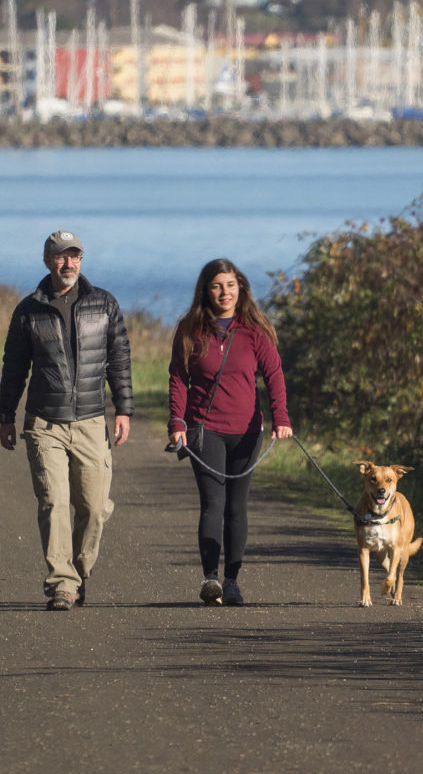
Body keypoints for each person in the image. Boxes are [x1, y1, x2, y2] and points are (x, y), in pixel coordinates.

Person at [0, 230, 133, 611]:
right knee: (54, 502)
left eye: (74, 256)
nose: (68, 263)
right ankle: (61, 583)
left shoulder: (103, 304)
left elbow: (119, 359)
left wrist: (124, 408)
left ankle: (78, 570)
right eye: (60, 256)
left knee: (93, 507)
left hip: (91, 420)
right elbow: (14, 367)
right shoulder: (29, 310)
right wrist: (6, 415)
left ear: (81, 261)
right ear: (47, 260)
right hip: (45, 423)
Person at [168, 258, 292, 607]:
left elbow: (275, 375)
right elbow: (179, 377)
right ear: (206, 291)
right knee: (213, 504)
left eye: (231, 285)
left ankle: (232, 581)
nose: (225, 292)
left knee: (237, 507)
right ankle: (210, 579)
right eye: (217, 286)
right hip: (205, 431)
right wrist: (176, 423)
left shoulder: (256, 329)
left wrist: (281, 417)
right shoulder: (191, 328)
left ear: (241, 288)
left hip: (248, 432)